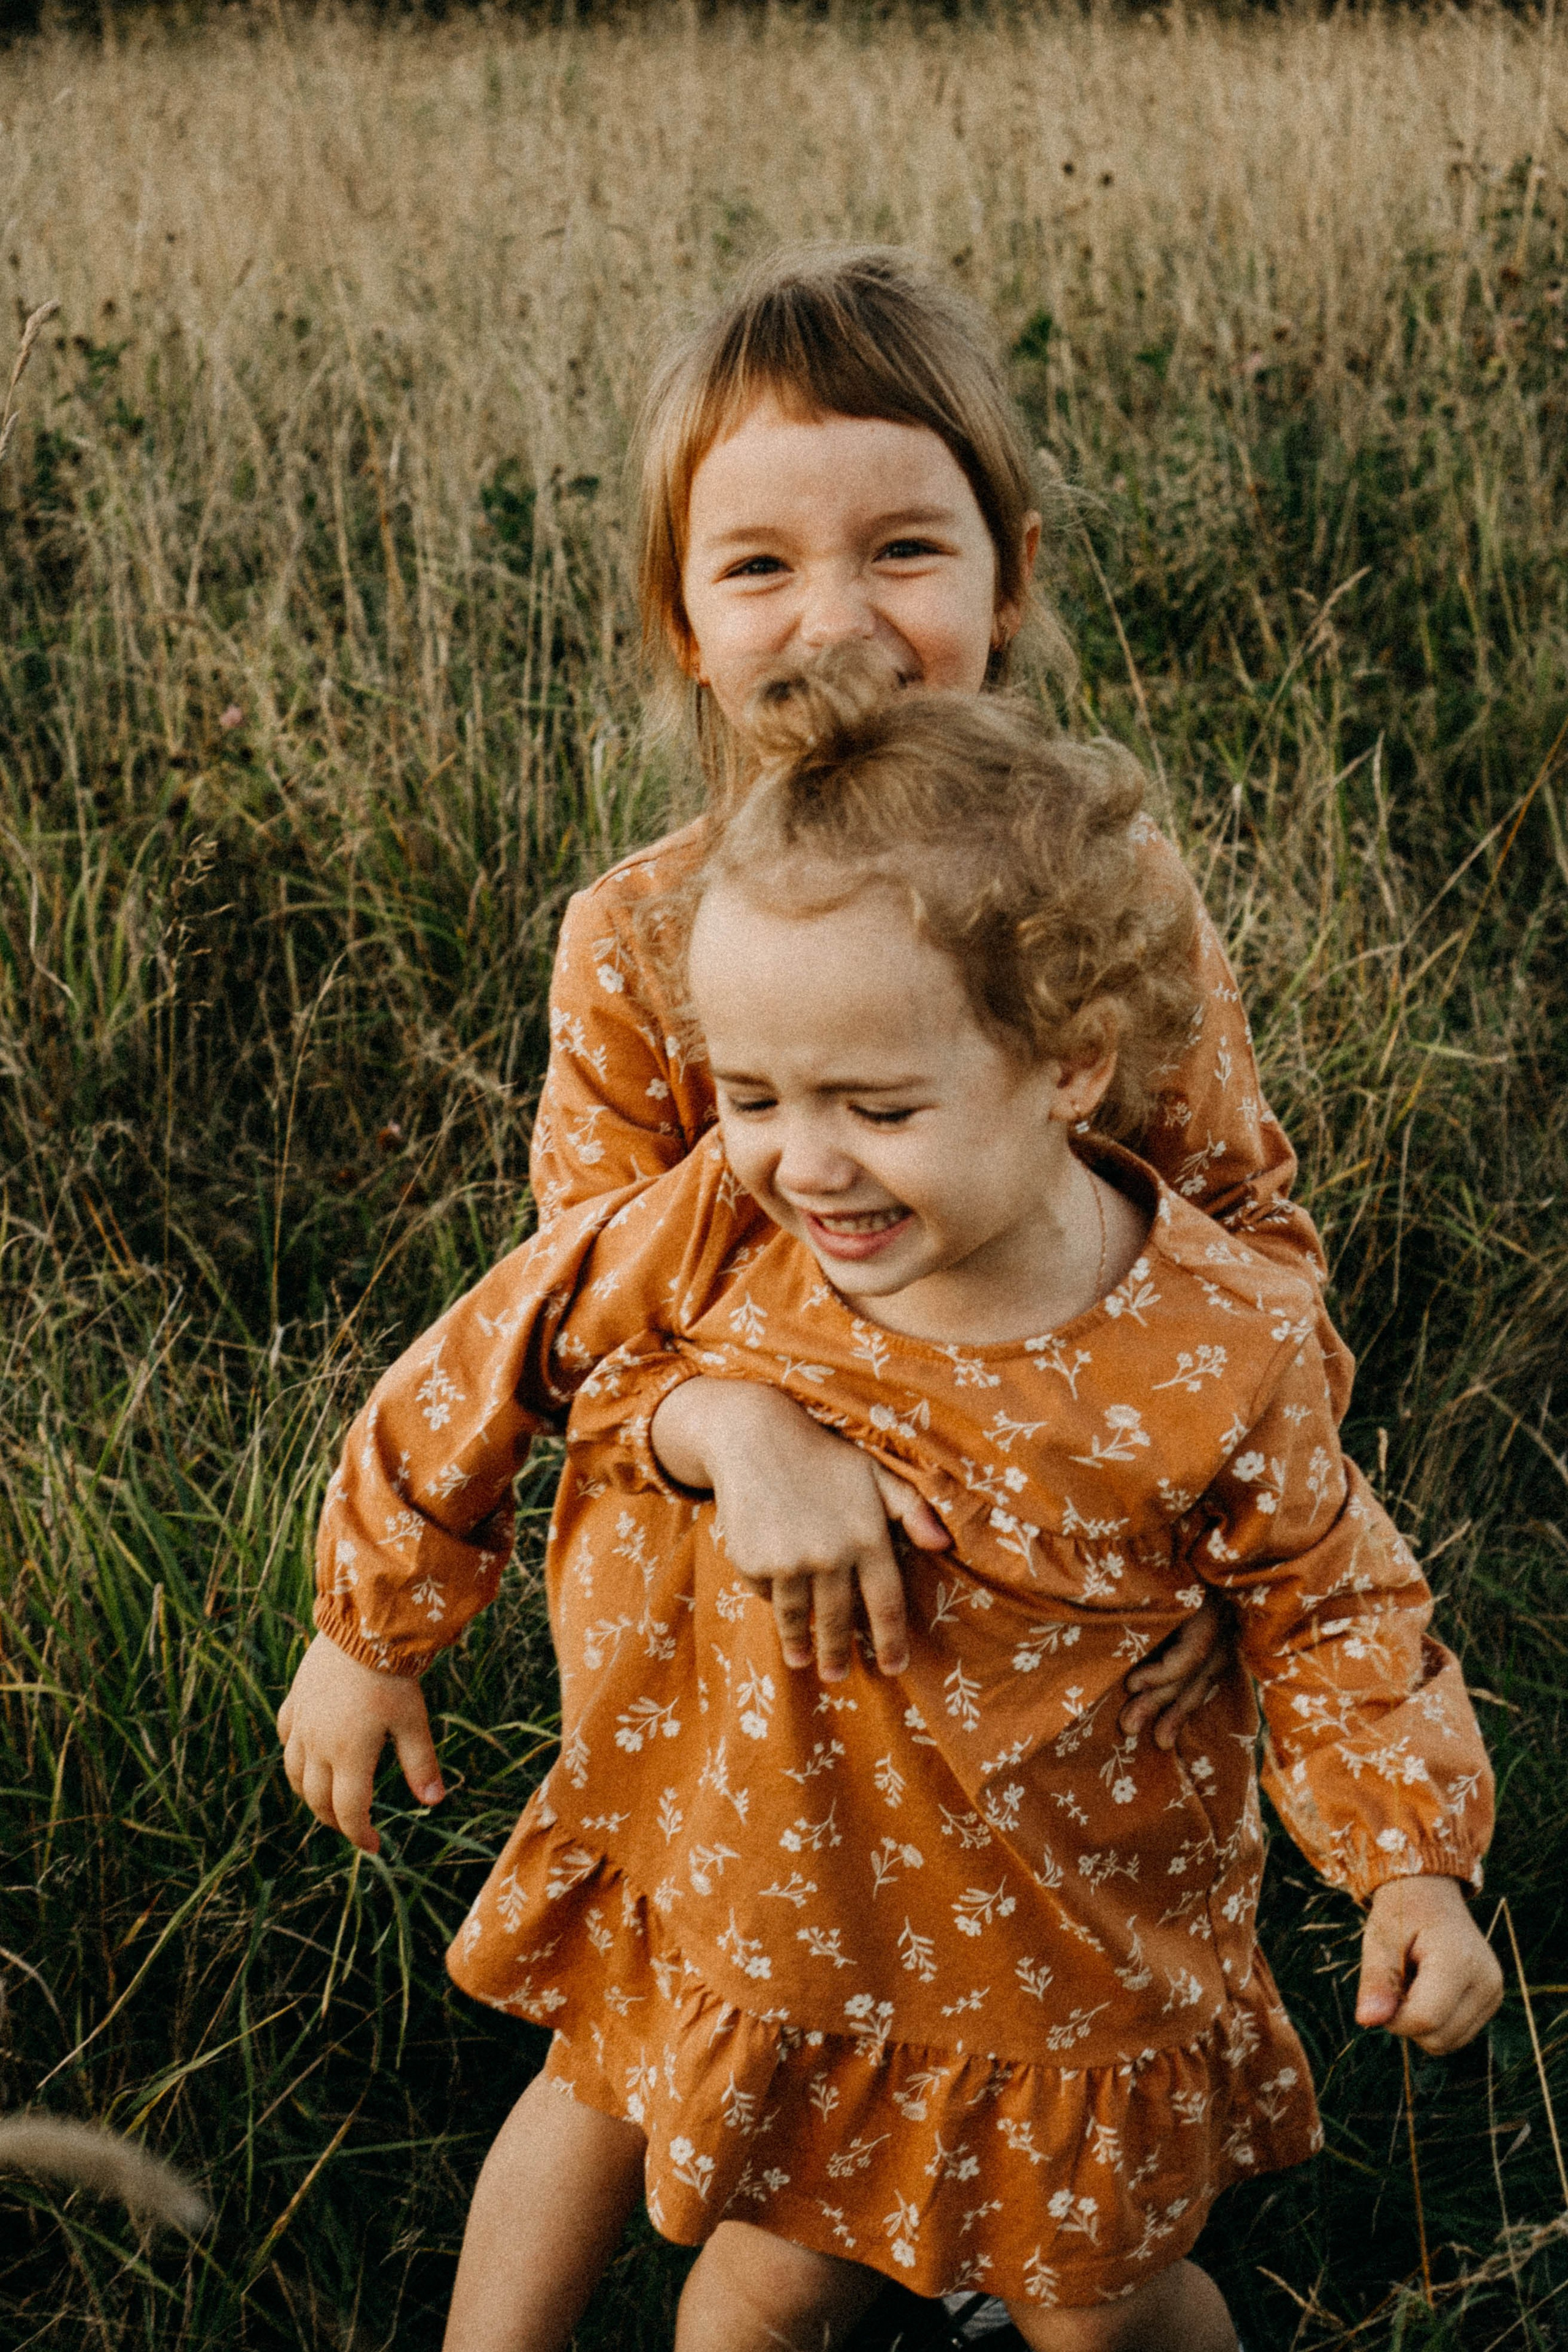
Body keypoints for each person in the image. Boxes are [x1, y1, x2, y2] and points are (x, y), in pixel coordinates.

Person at [287, 652, 1501, 2352]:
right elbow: (498, 1347)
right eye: (757, 1097)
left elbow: (1334, 1601)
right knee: (761, 2288)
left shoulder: (1215, 1337)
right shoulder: (722, 1222)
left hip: (1065, 1939)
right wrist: (371, 1629)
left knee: (1100, 2308)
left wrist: (1410, 1867)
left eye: (879, 1107)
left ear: (1070, 1067)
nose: (807, 1160)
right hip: (774, 1876)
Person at [283, 246, 1360, 1828]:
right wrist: (738, 1428)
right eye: (759, 567)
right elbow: (574, 1329)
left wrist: (1239, 1552)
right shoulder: (640, 940)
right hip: (746, 1664)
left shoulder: (1112, 892)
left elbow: (1241, 1229)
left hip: (1067, 1661)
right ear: (682, 619)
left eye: (905, 550)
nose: (839, 621)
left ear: (1010, 577)